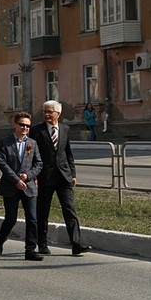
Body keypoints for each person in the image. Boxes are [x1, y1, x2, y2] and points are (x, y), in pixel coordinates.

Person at [32, 100, 92, 257]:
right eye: (44, 111)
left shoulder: (65, 129)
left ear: (58, 113)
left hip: (63, 176)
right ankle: (42, 244)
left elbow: (67, 152)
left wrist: (73, 173)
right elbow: (32, 155)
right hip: (44, 177)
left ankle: (76, 244)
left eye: (49, 111)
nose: (46, 114)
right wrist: (34, 176)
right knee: (42, 211)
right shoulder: (36, 131)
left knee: (69, 209)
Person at [0, 112, 44, 261]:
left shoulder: (32, 143)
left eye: (28, 126)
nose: (25, 128)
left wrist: (28, 175)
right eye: (22, 125)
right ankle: (0, 239)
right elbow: (2, 163)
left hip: (28, 186)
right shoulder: (5, 142)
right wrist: (16, 179)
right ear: (15, 125)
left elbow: (39, 163)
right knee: (11, 219)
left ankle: (30, 250)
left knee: (32, 218)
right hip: (11, 186)